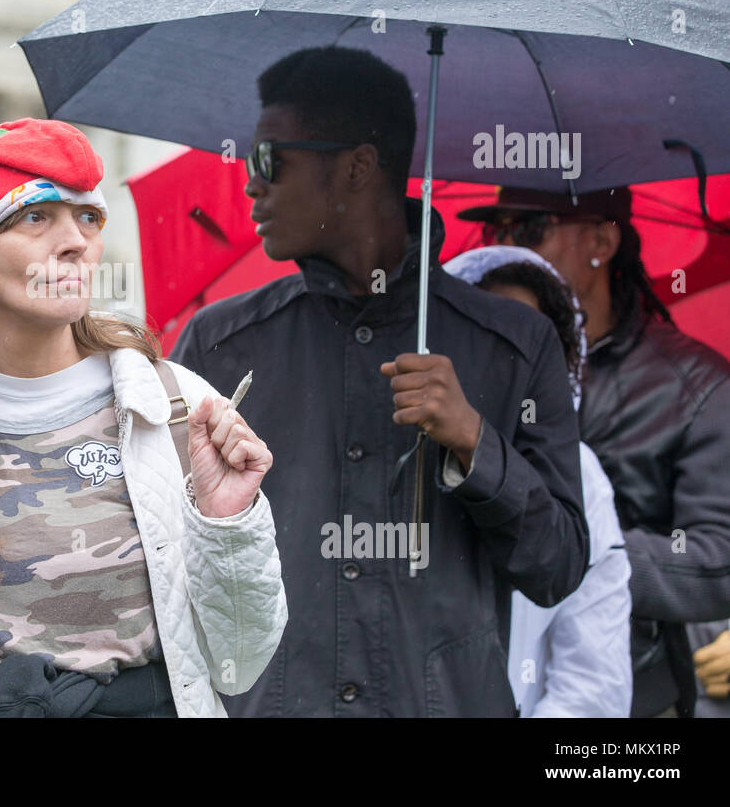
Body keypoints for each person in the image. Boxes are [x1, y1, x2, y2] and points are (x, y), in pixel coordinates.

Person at [0, 118, 286, 717]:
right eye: (36, 217)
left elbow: (240, 659)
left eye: (88, 217)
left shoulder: (177, 405)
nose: (77, 242)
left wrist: (229, 525)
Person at [171, 46, 588, 717]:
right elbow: (165, 563)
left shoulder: (513, 346)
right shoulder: (220, 345)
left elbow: (558, 568)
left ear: (359, 167)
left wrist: (477, 447)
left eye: (270, 161)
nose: (251, 186)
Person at [461, 184, 730, 717]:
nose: (512, 243)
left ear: (602, 242)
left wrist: (572, 542)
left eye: (531, 229)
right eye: (499, 230)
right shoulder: (469, 371)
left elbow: (719, 563)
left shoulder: (698, 385)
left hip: (639, 695)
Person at [445, 245, 632, 717]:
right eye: (489, 334)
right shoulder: (397, 452)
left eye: (528, 343)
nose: (508, 357)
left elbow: (593, 686)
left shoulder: (581, 477)